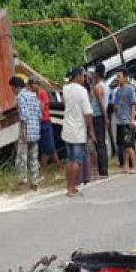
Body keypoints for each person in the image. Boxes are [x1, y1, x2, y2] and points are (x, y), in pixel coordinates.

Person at [60, 67, 95, 197]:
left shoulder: (65, 89)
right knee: (77, 160)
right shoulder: (82, 91)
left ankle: (69, 186)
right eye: (84, 76)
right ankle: (71, 188)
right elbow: (87, 113)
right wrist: (90, 130)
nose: (84, 79)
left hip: (67, 129)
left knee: (70, 160)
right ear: (78, 76)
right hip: (78, 130)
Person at [12, 76, 42, 191]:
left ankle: (23, 182)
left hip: (26, 129)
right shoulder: (35, 96)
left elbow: (23, 115)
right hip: (35, 130)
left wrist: (23, 130)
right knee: (34, 157)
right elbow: (39, 114)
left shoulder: (21, 96)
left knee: (22, 157)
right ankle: (34, 182)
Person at [113, 69, 136, 173]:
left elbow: (133, 105)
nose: (118, 79)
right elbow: (115, 105)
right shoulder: (117, 91)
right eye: (117, 77)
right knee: (122, 145)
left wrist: (132, 119)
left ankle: (135, 166)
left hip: (127, 120)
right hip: (119, 120)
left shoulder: (130, 89)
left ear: (125, 77)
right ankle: (126, 165)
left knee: (128, 144)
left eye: (119, 76)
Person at [35, 80, 61, 175]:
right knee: (42, 146)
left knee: (50, 147)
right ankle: (46, 168)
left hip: (45, 120)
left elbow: (42, 107)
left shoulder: (42, 94)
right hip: (39, 122)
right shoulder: (34, 95)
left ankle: (56, 166)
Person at [90, 64, 109, 179]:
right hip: (101, 115)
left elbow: (101, 104)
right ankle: (103, 168)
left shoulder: (98, 88)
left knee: (100, 143)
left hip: (98, 116)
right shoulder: (106, 86)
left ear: (97, 74)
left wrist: (105, 117)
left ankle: (103, 170)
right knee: (102, 142)